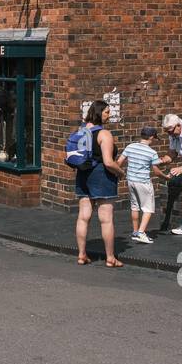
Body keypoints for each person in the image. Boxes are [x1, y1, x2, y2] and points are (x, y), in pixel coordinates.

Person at [73, 100, 123, 268]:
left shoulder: (82, 131)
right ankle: (110, 258)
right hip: (101, 176)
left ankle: (81, 255)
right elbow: (108, 162)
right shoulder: (104, 134)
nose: (109, 115)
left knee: (83, 216)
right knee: (106, 219)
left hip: (83, 175)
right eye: (107, 112)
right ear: (99, 113)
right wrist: (120, 172)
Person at [118, 125, 170, 243]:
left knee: (135, 207)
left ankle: (135, 232)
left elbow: (119, 162)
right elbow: (156, 171)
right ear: (151, 137)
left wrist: (117, 174)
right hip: (143, 182)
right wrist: (166, 177)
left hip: (130, 181)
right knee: (148, 208)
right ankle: (141, 233)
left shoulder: (130, 146)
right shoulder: (152, 152)